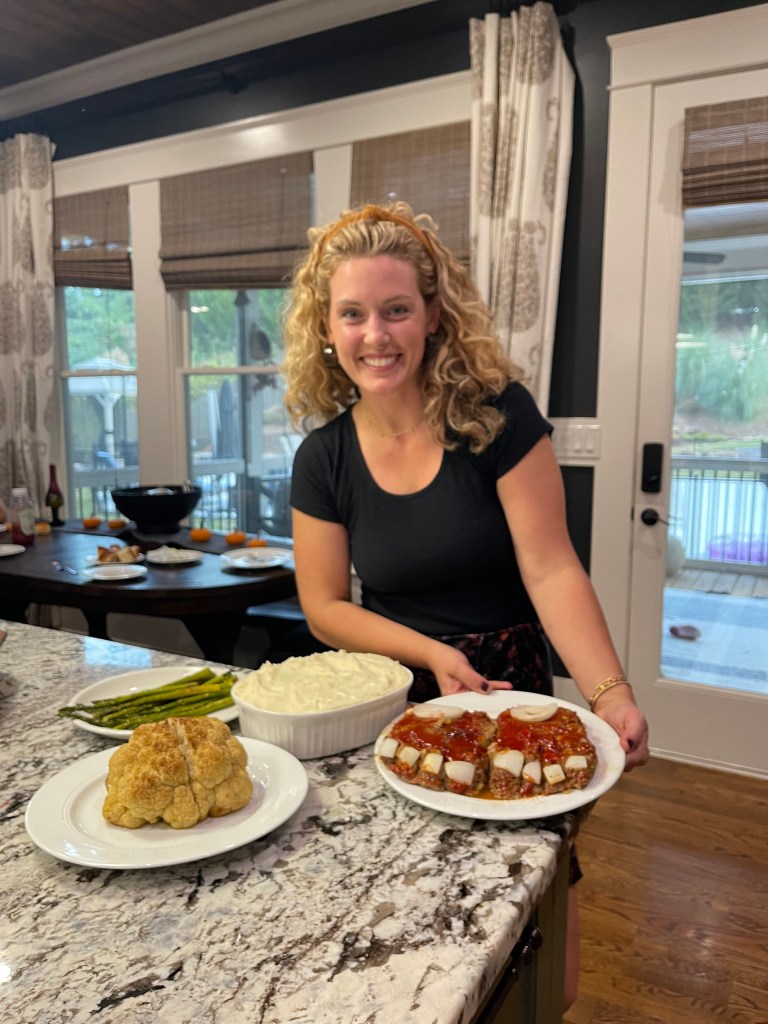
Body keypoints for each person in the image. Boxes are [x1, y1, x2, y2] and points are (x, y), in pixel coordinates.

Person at [283, 201, 650, 1010]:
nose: (375, 335)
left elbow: (552, 569)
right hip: (391, 693)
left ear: (433, 315)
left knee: (526, 893)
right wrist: (427, 653)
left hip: (509, 693)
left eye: (396, 310)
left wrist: (609, 691)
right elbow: (323, 607)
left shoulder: (497, 416)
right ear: (326, 327)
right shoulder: (323, 457)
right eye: (353, 314)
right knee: (403, 896)